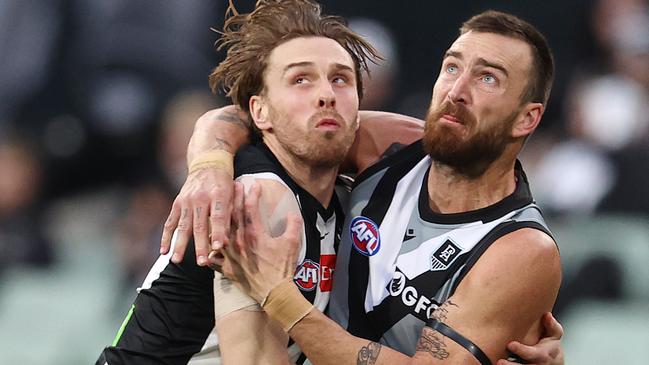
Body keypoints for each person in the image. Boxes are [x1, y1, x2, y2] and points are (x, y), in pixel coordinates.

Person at [172, 6, 564, 365]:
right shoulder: (390, 147)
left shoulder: (521, 249)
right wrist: (209, 165)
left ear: (526, 119)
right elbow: (257, 117)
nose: (456, 91)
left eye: (488, 78)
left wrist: (282, 300)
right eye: (451, 67)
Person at [97, 1, 424, 364]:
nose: (326, 94)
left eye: (340, 79)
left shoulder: (346, 194)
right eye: (301, 79)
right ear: (259, 112)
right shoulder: (257, 200)